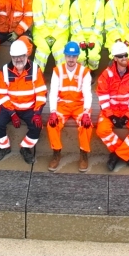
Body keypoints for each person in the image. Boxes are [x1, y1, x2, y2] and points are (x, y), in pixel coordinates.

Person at [0, 38, 47, 163]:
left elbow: (41, 92)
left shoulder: (35, 69)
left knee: (37, 127)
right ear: (11, 56)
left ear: (26, 55)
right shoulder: (4, 71)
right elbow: (1, 95)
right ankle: (4, 147)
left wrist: (37, 112)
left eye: (21, 56)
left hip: (30, 107)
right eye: (15, 57)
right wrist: (12, 113)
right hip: (9, 108)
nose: (18, 59)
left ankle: (25, 147)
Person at [96, 41, 129, 170]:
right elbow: (103, 97)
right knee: (101, 130)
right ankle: (126, 155)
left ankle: (116, 156)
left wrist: (127, 116)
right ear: (115, 58)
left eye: (125, 55)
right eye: (120, 56)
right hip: (110, 111)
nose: (124, 58)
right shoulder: (106, 74)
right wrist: (111, 115)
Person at [46, 41, 93, 171]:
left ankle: (84, 155)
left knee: (86, 125)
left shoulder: (84, 72)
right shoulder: (57, 71)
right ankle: (56, 153)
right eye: (68, 56)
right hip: (63, 105)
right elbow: (53, 92)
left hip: (79, 105)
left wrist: (85, 112)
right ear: (65, 56)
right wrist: (53, 111)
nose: (71, 59)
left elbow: (88, 94)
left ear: (77, 57)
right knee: (52, 124)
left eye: (73, 56)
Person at [31, 0, 70, 70]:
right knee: (42, 50)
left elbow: (64, 19)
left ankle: (63, 78)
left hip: (60, 32)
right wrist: (46, 35)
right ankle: (36, 78)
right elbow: (38, 20)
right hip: (41, 32)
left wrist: (54, 36)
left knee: (60, 50)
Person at [69, 0, 105, 71]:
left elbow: (99, 24)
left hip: (95, 36)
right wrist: (81, 40)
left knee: (93, 56)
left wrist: (92, 39)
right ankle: (83, 72)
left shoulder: (99, 4)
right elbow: (75, 24)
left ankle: (91, 71)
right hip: (78, 36)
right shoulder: (75, 5)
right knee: (80, 56)